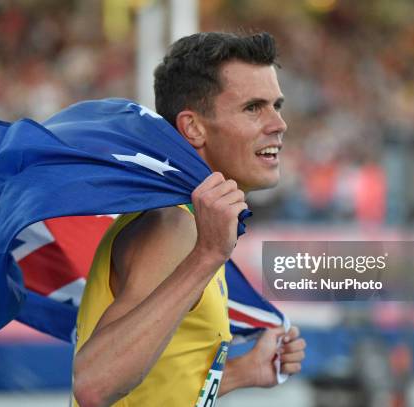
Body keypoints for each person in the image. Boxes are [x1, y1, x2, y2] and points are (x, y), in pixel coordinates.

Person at [72, 32, 306, 407]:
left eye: (276, 105)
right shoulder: (173, 226)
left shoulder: (191, 220)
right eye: (253, 108)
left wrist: (240, 374)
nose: (278, 123)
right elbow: (93, 386)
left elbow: (158, 386)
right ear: (193, 127)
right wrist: (206, 256)